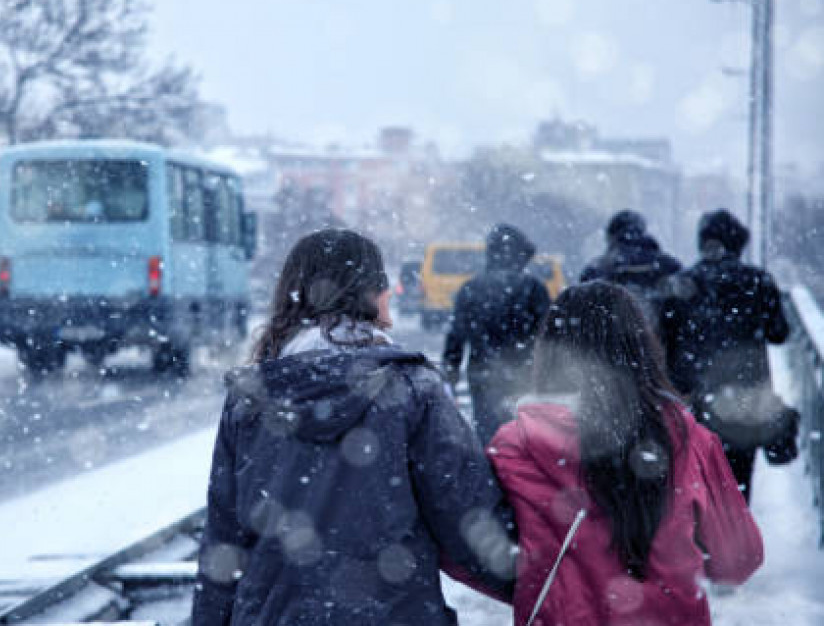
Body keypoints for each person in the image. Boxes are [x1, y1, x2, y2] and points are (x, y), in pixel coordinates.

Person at [192, 229, 515, 626]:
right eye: (383, 285)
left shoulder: (250, 399)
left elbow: (223, 540)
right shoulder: (412, 389)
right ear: (371, 296)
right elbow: (471, 521)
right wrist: (549, 582)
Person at [489, 282, 763, 626]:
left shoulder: (515, 445)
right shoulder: (686, 437)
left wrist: (541, 582)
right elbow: (740, 559)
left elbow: (473, 552)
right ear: (640, 349)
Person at [660, 209, 790, 503]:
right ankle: (735, 540)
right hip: (746, 398)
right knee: (738, 482)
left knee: (696, 483)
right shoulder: (758, 280)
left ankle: (703, 542)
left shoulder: (682, 283)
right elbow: (779, 333)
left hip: (695, 398)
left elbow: (666, 342)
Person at [443, 224, 551, 447]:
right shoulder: (534, 289)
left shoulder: (470, 288)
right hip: (525, 375)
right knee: (525, 440)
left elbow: (455, 338)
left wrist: (450, 379)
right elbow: (548, 338)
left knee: (489, 437)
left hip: (482, 374)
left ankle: (491, 476)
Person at [579, 210, 681, 329]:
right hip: (661, 342)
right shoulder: (670, 266)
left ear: (610, 237)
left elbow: (584, 315)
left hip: (611, 341)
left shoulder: (596, 269)